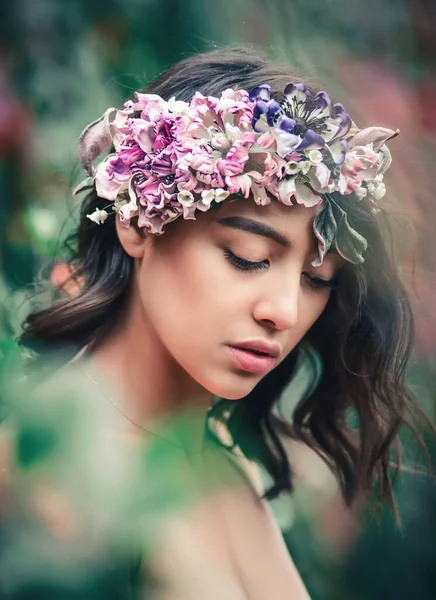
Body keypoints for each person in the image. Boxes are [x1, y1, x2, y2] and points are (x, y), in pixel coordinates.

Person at [4, 46, 428, 598]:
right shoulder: (51, 473)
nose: (284, 310)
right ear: (137, 221)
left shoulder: (220, 468)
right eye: (248, 256)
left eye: (317, 278)